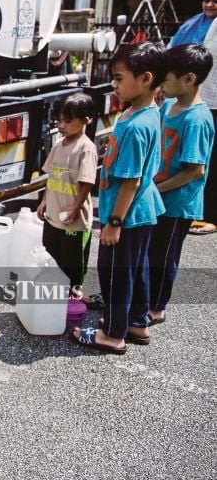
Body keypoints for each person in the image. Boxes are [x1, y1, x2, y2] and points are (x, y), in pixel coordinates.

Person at [72, 43, 165, 355]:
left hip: (127, 214)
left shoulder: (138, 125)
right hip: (141, 212)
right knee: (136, 270)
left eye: (118, 78)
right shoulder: (144, 112)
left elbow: (130, 181)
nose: (113, 84)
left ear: (146, 78)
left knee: (115, 275)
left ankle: (112, 334)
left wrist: (113, 223)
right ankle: (137, 322)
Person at [147, 44, 215, 325]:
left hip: (177, 203)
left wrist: (155, 190)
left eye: (166, 78)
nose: (161, 83)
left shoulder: (197, 119)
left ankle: (156, 307)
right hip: (159, 195)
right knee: (150, 251)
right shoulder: (169, 106)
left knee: (164, 255)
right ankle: (142, 299)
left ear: (188, 79)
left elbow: (194, 171)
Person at [36, 93, 98, 298]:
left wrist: (76, 207)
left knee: (72, 261)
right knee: (52, 255)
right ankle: (54, 291)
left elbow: (87, 182)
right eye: (59, 120)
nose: (62, 125)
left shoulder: (86, 148)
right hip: (54, 216)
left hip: (73, 221)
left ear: (86, 120)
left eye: (68, 121)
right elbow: (51, 175)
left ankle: (73, 294)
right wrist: (44, 201)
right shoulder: (58, 144)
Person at [169, 0, 217, 235]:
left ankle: (209, 214)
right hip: (187, 101)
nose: (210, 5)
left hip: (210, 103)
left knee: (207, 160)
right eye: (206, 0)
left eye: (215, 1)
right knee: (181, 157)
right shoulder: (192, 25)